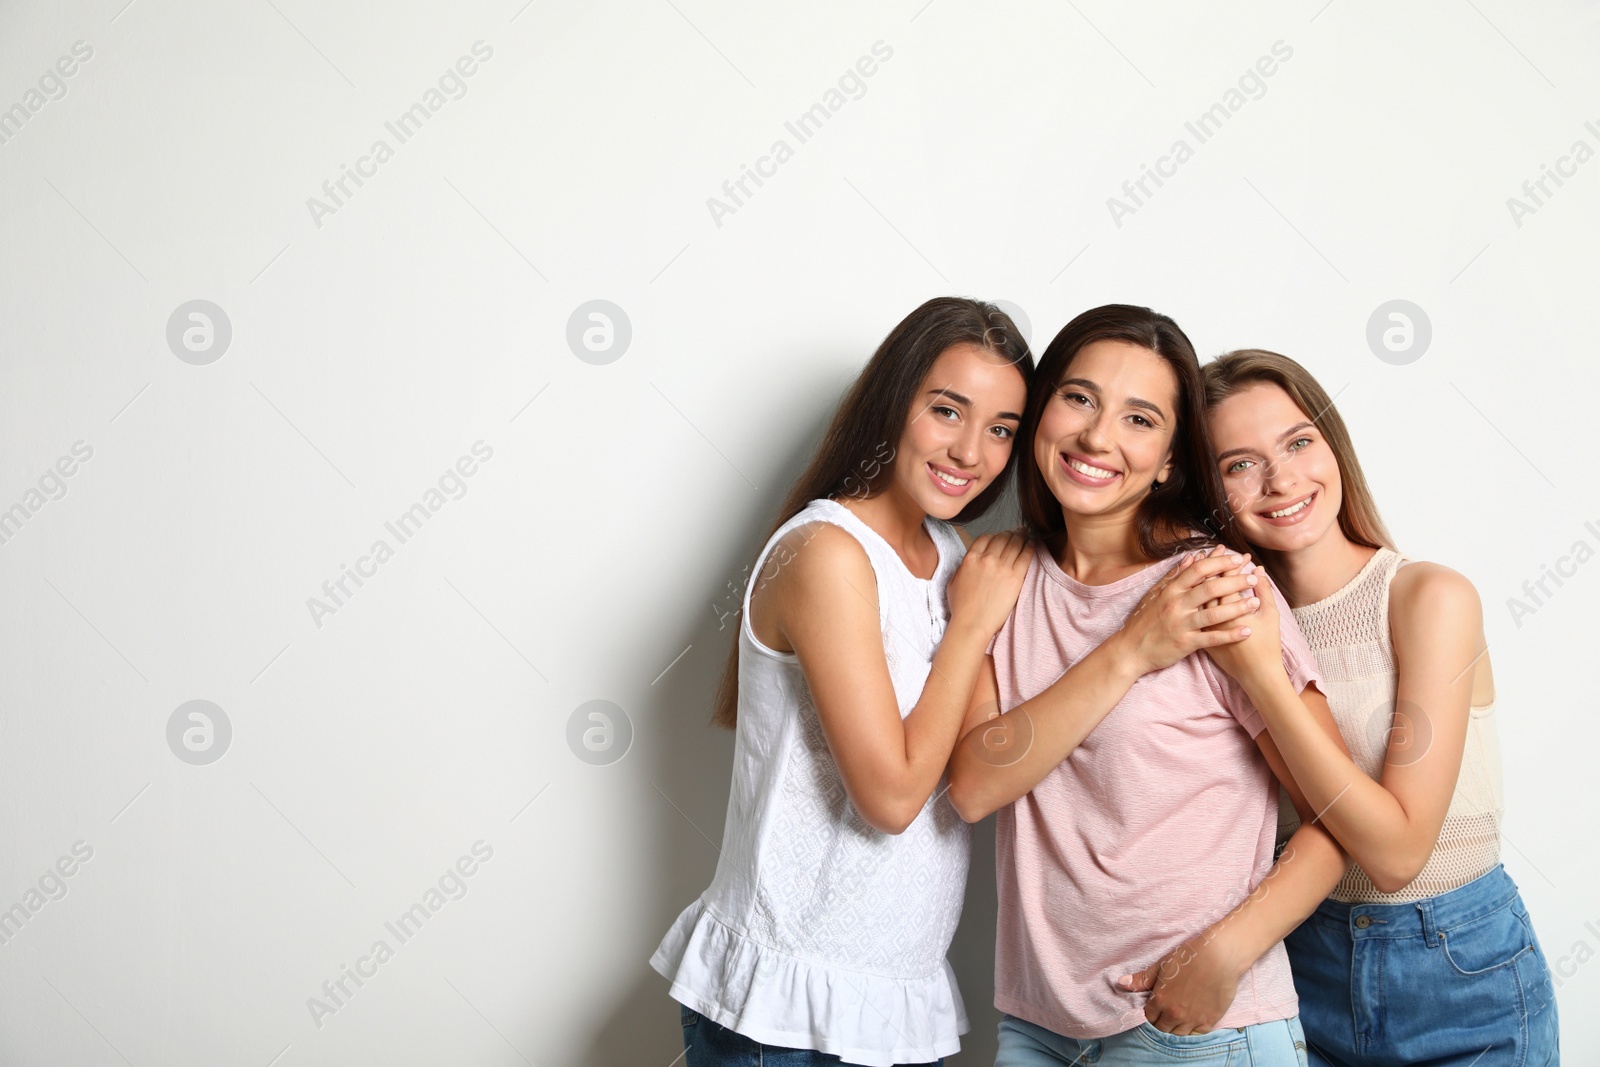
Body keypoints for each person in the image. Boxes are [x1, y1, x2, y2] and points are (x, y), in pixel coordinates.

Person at [945, 304, 1354, 1066]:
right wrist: (1132, 647)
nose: (1098, 437)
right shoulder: (1002, 578)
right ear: (1040, 415)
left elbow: (1334, 822)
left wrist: (1224, 955)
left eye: (1139, 418)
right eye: (1079, 398)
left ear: (1170, 458)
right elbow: (973, 784)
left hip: (1197, 1027)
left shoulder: (1218, 589)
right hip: (1036, 1025)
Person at [650, 297, 1034, 1066]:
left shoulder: (953, 553)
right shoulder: (828, 552)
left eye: (1000, 429)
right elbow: (891, 798)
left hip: (891, 1000)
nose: (970, 451)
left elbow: (974, 768)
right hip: (784, 1011)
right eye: (947, 410)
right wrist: (971, 628)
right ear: (895, 403)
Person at [1200, 348, 1560, 1066]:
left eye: (1298, 441)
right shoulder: (1226, 620)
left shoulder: (1427, 597)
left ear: (1333, 446)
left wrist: (1265, 680)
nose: (1281, 479)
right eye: (1240, 464)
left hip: (1460, 969)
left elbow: (1396, 854)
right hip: (1304, 960)